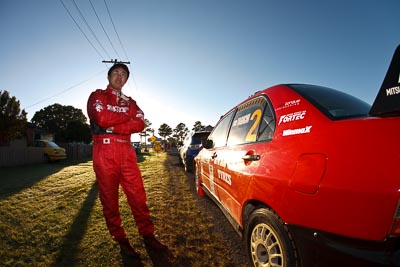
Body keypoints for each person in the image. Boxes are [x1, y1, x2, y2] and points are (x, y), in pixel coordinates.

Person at [87, 63, 167, 258]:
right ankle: (121, 240)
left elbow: (140, 123)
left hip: (126, 151)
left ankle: (148, 235)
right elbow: (101, 117)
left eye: (124, 74)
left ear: (126, 79)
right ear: (108, 76)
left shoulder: (131, 102)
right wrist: (125, 121)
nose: (119, 76)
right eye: (116, 72)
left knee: (138, 197)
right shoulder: (97, 96)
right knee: (109, 200)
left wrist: (115, 128)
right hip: (104, 151)